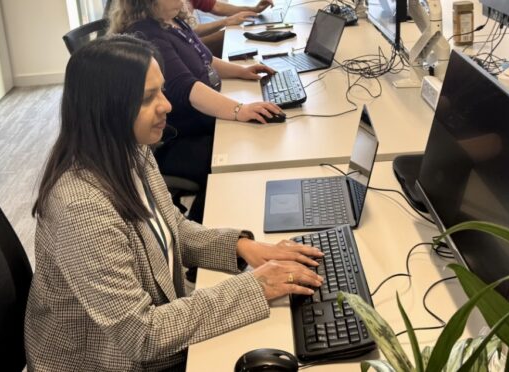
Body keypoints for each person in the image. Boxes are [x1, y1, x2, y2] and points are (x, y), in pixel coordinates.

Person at [24, 35, 323, 371]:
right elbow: (141, 335)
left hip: (148, 336)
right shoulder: (81, 208)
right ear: (107, 108)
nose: (166, 105)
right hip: (109, 360)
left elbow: (172, 228)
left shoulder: (130, 149)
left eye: (162, 90)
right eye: (148, 98)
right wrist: (255, 286)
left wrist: (242, 247)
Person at [108, 0, 282, 224]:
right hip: (177, 138)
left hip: (202, 121)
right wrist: (239, 109)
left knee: (252, 139)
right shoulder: (147, 35)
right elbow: (187, 88)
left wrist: (241, 71)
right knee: (238, 157)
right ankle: (211, 228)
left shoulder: (173, 21)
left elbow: (206, 60)